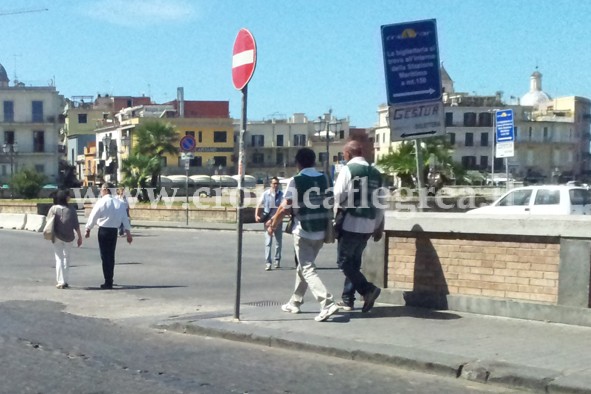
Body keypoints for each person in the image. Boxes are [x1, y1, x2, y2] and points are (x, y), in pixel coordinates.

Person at [267, 148, 340, 322]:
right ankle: (295, 302)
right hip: (321, 229)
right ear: (314, 161)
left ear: (298, 163)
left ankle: (327, 303)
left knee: (307, 268)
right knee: (303, 267)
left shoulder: (296, 180)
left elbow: (286, 206)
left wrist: (273, 224)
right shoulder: (325, 178)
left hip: (304, 229)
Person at [333, 140, 385, 313]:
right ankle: (348, 299)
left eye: (343, 154)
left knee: (343, 262)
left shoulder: (348, 169)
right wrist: (378, 225)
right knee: (354, 263)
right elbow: (380, 202)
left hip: (351, 221)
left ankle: (367, 289)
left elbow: (338, 195)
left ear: (347, 154)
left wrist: (334, 216)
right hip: (369, 223)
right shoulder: (376, 173)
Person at [85, 183, 133, 289]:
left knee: (104, 256)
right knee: (111, 256)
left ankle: (108, 281)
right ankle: (110, 278)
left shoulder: (101, 202)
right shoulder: (119, 203)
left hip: (103, 231)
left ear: (106, 190)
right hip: (113, 232)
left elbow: (93, 216)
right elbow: (125, 219)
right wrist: (128, 233)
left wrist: (88, 229)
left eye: (101, 189)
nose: (100, 191)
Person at [46, 190, 83, 289]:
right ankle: (65, 280)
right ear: (65, 198)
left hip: (57, 236)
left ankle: (60, 281)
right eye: (68, 196)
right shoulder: (71, 209)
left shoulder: (53, 209)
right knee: (67, 258)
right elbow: (76, 225)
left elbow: (48, 221)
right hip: (69, 237)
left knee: (59, 258)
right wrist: (80, 237)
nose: (69, 197)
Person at [254, 176, 283, 270]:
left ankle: (277, 260)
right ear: (270, 184)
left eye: (277, 183)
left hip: (278, 220)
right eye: (274, 183)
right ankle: (268, 262)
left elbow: (281, 209)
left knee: (278, 242)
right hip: (267, 220)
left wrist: (273, 220)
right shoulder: (266, 194)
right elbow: (259, 204)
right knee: (268, 242)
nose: (275, 185)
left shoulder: (281, 195)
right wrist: (256, 215)